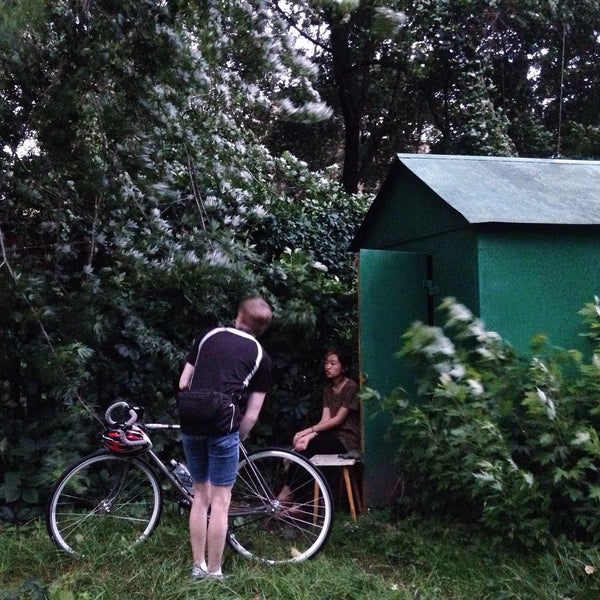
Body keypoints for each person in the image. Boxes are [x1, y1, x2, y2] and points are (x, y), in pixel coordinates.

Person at [178, 297, 273, 581]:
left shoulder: (209, 336)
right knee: (221, 501)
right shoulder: (260, 356)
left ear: (237, 315)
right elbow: (253, 415)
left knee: (200, 496)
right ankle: (215, 571)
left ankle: (198, 567)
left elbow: (184, 382)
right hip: (223, 427)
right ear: (262, 328)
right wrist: (238, 436)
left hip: (191, 420)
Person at [278, 345, 361, 508]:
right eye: (326, 363)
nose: (328, 367)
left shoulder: (351, 386)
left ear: (344, 367)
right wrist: (306, 436)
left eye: (333, 363)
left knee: (310, 447)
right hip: (331, 437)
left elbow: (337, 419)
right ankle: (293, 496)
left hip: (347, 440)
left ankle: (295, 500)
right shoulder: (327, 390)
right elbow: (325, 420)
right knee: (303, 448)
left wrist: (308, 431)